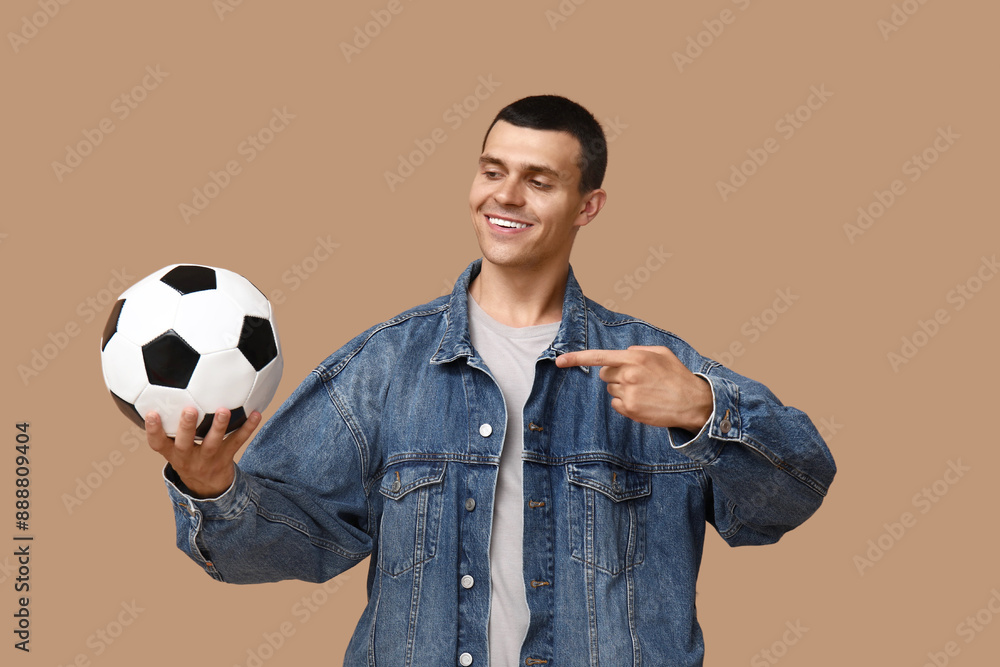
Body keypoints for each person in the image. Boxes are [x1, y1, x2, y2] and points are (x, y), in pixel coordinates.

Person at [146, 95, 836, 666]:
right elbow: (286, 542)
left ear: (587, 206)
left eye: (538, 180)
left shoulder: (649, 362)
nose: (505, 195)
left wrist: (703, 410)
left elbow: (793, 491)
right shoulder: (387, 365)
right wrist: (211, 487)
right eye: (491, 170)